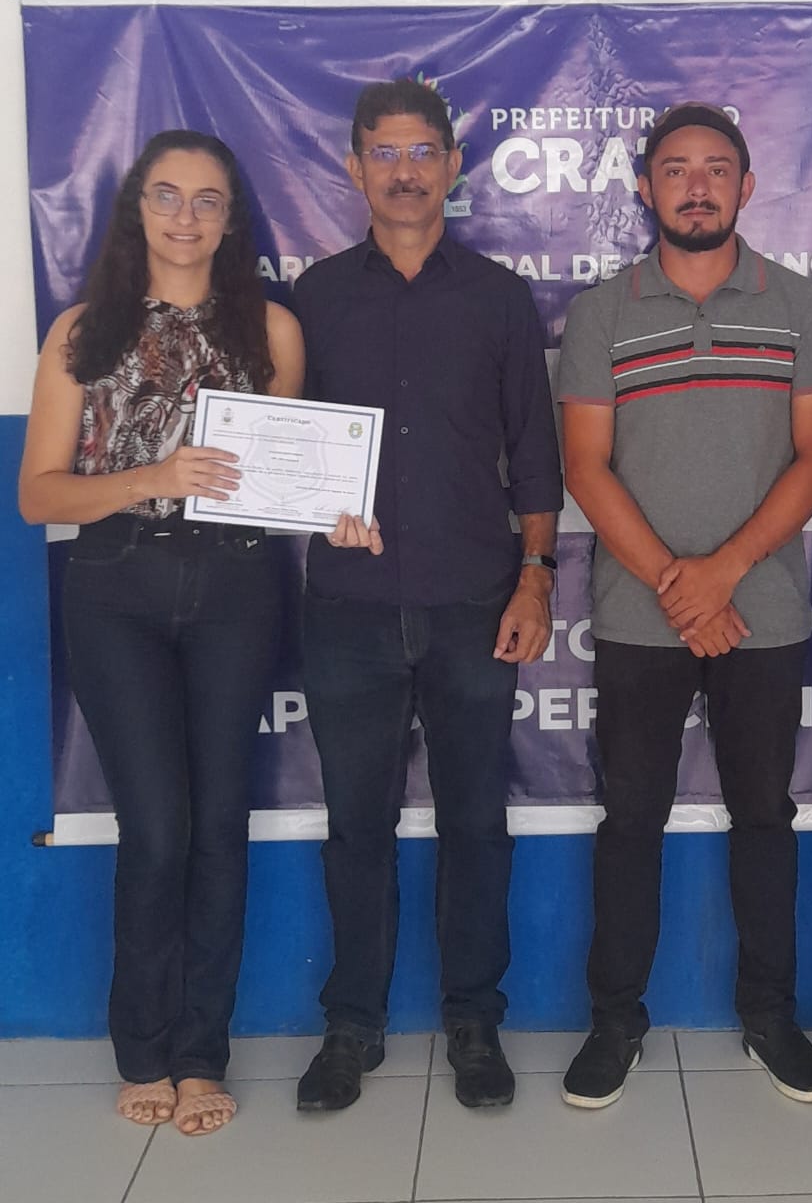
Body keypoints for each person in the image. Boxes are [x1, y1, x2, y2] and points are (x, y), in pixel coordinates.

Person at [556, 102, 812, 1109]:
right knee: (629, 817)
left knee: (764, 815)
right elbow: (585, 467)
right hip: (640, 613)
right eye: (675, 168)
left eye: (716, 168)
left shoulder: (800, 306)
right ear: (644, 188)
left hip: (763, 608)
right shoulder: (602, 312)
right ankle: (614, 1021)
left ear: (746, 186)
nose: (696, 185)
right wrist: (685, 588)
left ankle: (770, 1016)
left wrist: (722, 573)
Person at [18, 130, 304, 1135]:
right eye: (168, 196)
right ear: (136, 208)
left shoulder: (270, 327)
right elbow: (37, 494)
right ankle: (141, 1048)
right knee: (156, 829)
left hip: (236, 586)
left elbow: (285, 478)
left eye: (207, 200)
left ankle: (198, 1056)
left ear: (230, 220)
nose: (186, 216)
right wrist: (152, 477)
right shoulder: (82, 331)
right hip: (116, 589)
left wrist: (337, 511)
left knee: (219, 823)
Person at [291, 78, 562, 1114]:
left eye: (422, 152)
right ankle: (351, 1025)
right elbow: (282, 444)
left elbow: (534, 454)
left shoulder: (497, 296)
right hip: (347, 604)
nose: (404, 172)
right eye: (384, 152)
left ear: (452, 165)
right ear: (354, 167)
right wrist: (308, 504)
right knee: (355, 826)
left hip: (471, 601)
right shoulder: (314, 298)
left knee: (475, 824)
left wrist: (535, 576)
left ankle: (474, 1019)